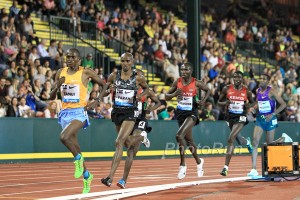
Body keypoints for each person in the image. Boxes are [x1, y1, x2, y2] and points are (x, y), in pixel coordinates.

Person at [49, 48, 107, 193]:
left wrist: (97, 100)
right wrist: (57, 86)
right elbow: (51, 97)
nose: (68, 59)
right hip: (65, 113)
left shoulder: (86, 72)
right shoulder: (60, 73)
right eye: (67, 57)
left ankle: (78, 160)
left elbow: (105, 85)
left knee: (64, 137)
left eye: (72, 57)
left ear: (79, 60)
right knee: (75, 146)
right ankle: (87, 176)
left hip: (80, 112)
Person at [101, 52, 149, 187]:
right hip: (117, 112)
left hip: (130, 112)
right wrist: (108, 89)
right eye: (123, 61)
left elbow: (147, 89)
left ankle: (110, 177)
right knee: (127, 142)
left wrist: (141, 96)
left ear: (132, 62)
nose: (125, 63)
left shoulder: (138, 77)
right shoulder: (113, 76)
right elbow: (105, 90)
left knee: (119, 142)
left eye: (127, 61)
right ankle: (142, 137)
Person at [165, 62, 211, 180]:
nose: (183, 72)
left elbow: (208, 90)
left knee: (179, 136)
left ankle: (182, 165)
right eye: (182, 70)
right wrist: (175, 93)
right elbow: (166, 96)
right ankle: (199, 162)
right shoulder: (177, 82)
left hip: (192, 113)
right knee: (189, 141)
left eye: (186, 70)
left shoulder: (196, 82)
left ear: (191, 71)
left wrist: (203, 101)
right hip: (180, 113)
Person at [116, 88, 161, 189]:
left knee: (131, 150)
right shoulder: (128, 89)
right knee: (127, 144)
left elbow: (158, 102)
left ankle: (123, 180)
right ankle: (142, 137)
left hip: (140, 120)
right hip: (128, 119)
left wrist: (150, 109)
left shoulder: (147, 91)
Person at [247, 74, 286, 177]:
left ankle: (283, 139)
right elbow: (258, 103)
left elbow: (283, 104)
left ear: (268, 82)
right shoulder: (257, 91)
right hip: (260, 119)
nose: (261, 80)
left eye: (264, 79)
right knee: (255, 142)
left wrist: (273, 113)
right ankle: (254, 169)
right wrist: (254, 108)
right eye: (261, 78)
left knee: (270, 145)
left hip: (271, 120)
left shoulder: (272, 92)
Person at [218, 71, 255, 176]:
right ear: (232, 78)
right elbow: (218, 102)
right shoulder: (226, 88)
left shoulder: (246, 91)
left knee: (230, 138)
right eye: (235, 77)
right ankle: (247, 142)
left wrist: (248, 106)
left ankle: (225, 168)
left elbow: (253, 102)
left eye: (239, 77)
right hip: (230, 117)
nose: (237, 79)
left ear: (242, 79)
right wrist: (225, 103)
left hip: (241, 117)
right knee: (239, 140)